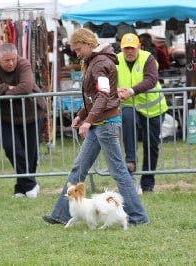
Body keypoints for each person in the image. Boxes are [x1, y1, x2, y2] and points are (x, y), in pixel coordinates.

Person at [42, 28, 149, 226]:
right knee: (79, 169)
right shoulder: (95, 61)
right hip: (99, 122)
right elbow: (93, 98)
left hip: (104, 124)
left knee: (118, 171)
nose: (76, 53)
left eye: (78, 48)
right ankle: (61, 214)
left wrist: (88, 120)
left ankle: (138, 217)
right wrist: (81, 115)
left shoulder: (100, 64)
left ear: (89, 43)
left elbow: (103, 96)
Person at [0, 43, 45, 198]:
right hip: (7, 117)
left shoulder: (24, 64)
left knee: (30, 152)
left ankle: (21, 188)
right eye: (7, 60)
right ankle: (30, 184)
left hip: (32, 113)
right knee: (11, 148)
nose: (11, 63)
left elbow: (26, 87)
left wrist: (3, 91)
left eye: (13, 59)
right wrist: (5, 87)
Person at [117, 33, 168, 193]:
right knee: (127, 117)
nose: (129, 52)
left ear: (139, 47)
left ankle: (148, 184)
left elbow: (151, 80)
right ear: (122, 49)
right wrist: (115, 89)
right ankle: (130, 161)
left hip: (154, 109)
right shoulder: (116, 60)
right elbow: (109, 80)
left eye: (132, 48)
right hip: (131, 107)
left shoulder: (148, 58)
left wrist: (131, 91)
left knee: (151, 146)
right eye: (126, 49)